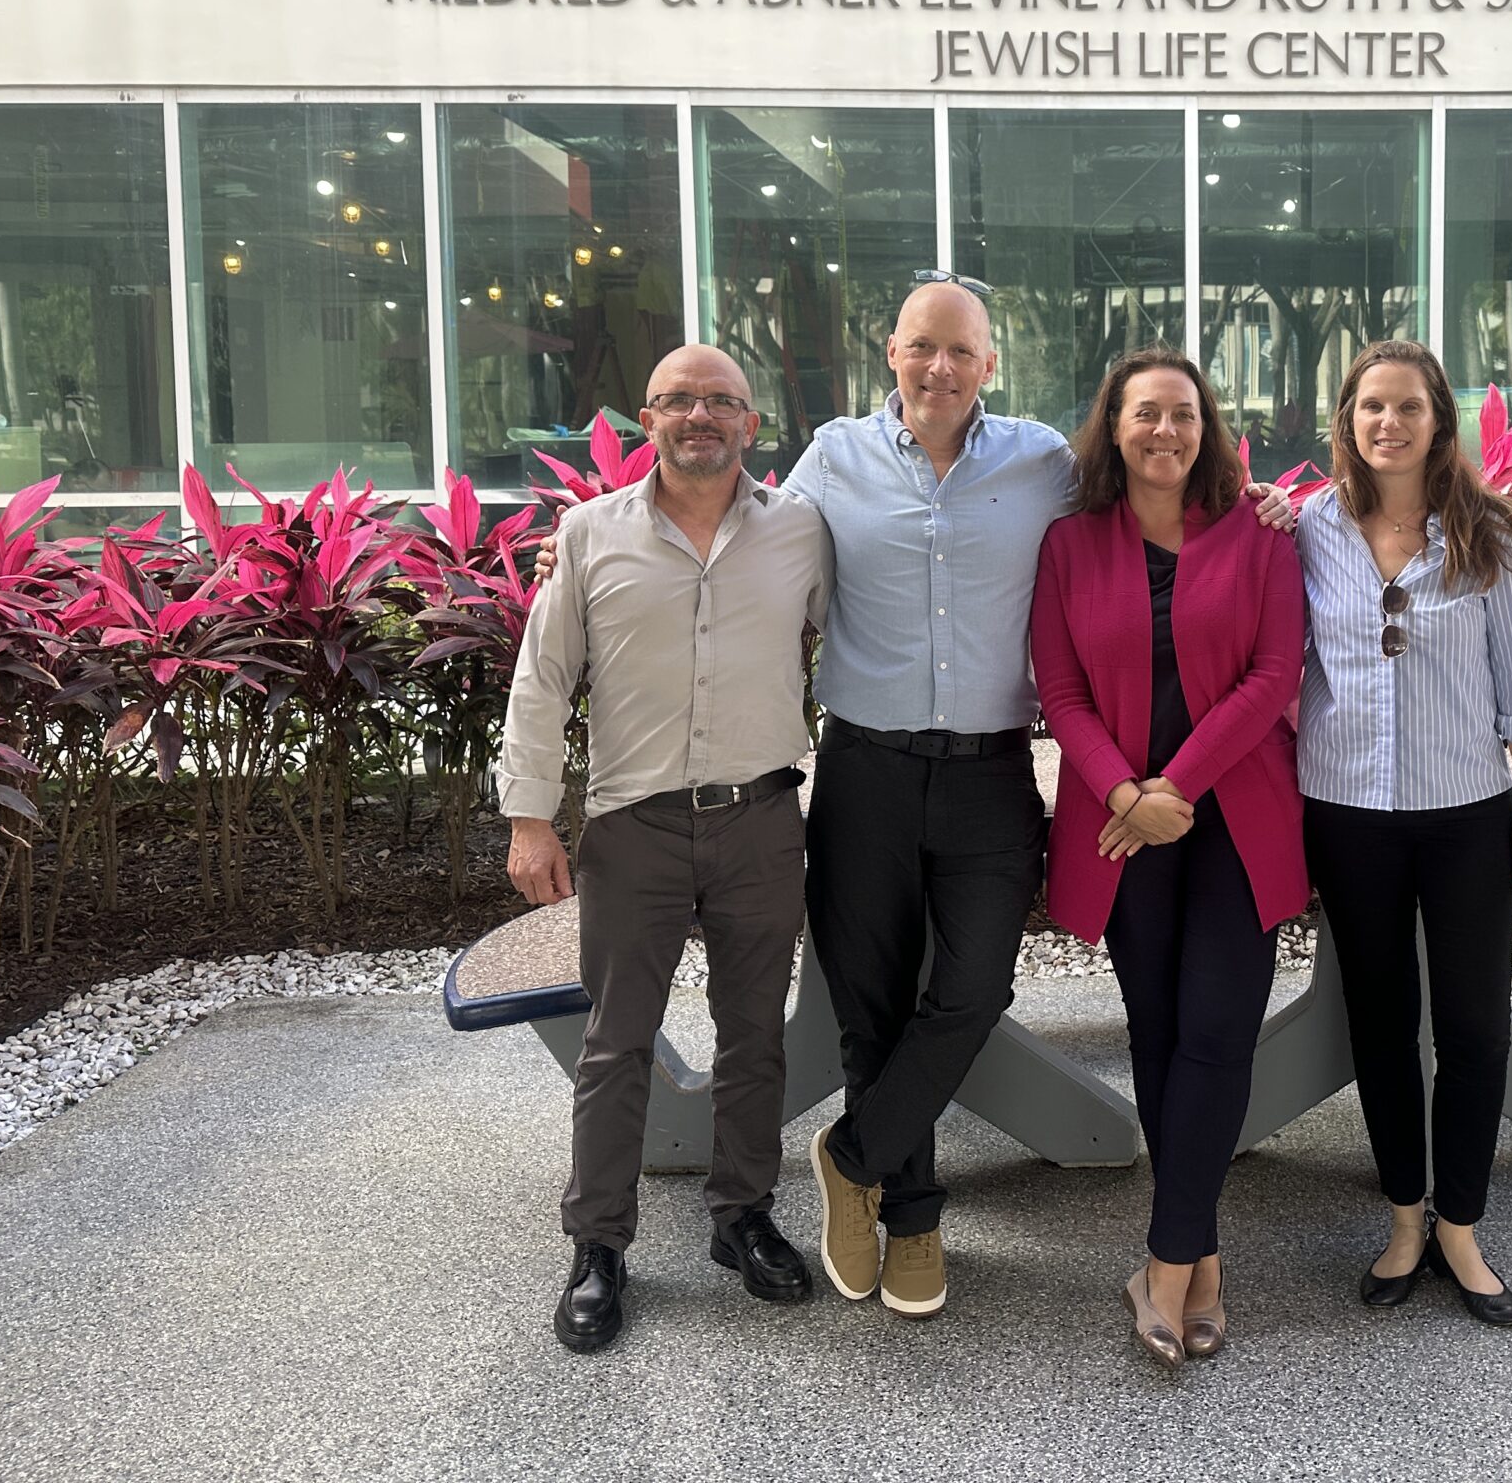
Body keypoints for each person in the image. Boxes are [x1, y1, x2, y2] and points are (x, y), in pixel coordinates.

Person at [776, 277, 1301, 1319]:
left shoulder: (1044, 467)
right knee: (871, 1003)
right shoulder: (831, 457)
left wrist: (1267, 501)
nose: (938, 368)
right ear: (893, 351)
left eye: (959, 351)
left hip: (986, 772)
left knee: (973, 989)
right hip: (866, 765)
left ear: (989, 364)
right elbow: (755, 559)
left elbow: (1193, 544)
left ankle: (853, 1153)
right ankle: (913, 1217)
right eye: (921, 347)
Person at [499, 343, 832, 1355]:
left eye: (720, 401)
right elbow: (543, 679)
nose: (700, 416)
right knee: (616, 1042)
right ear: (647, 419)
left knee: (754, 1036)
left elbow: (867, 628)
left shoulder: (803, 534)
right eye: (678, 400)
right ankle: (598, 1245)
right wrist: (526, 816)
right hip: (633, 826)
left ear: (751, 425)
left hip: (760, 820)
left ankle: (742, 1217)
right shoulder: (588, 534)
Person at [1030, 349, 1307, 1369]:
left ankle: (1167, 1257)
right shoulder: (1068, 545)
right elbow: (1058, 693)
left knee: (1219, 1033)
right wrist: (1121, 795)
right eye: (1144, 413)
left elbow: (1275, 673)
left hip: (1236, 814)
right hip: (1119, 824)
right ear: (1114, 426)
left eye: (1183, 414)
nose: (1164, 431)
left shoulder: (1260, 534)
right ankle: (1205, 1254)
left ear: (1207, 427)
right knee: (1156, 1032)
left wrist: (1172, 790)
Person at [1294, 338, 1512, 1330]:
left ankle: (1461, 1226)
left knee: (1476, 1028)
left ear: (1439, 420)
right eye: (1370, 407)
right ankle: (1405, 1216)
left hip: (1462, 816)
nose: (1387, 424)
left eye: (1407, 407)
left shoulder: (1489, 537)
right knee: (1380, 1024)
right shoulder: (1310, 527)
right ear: (1348, 419)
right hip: (1347, 812)